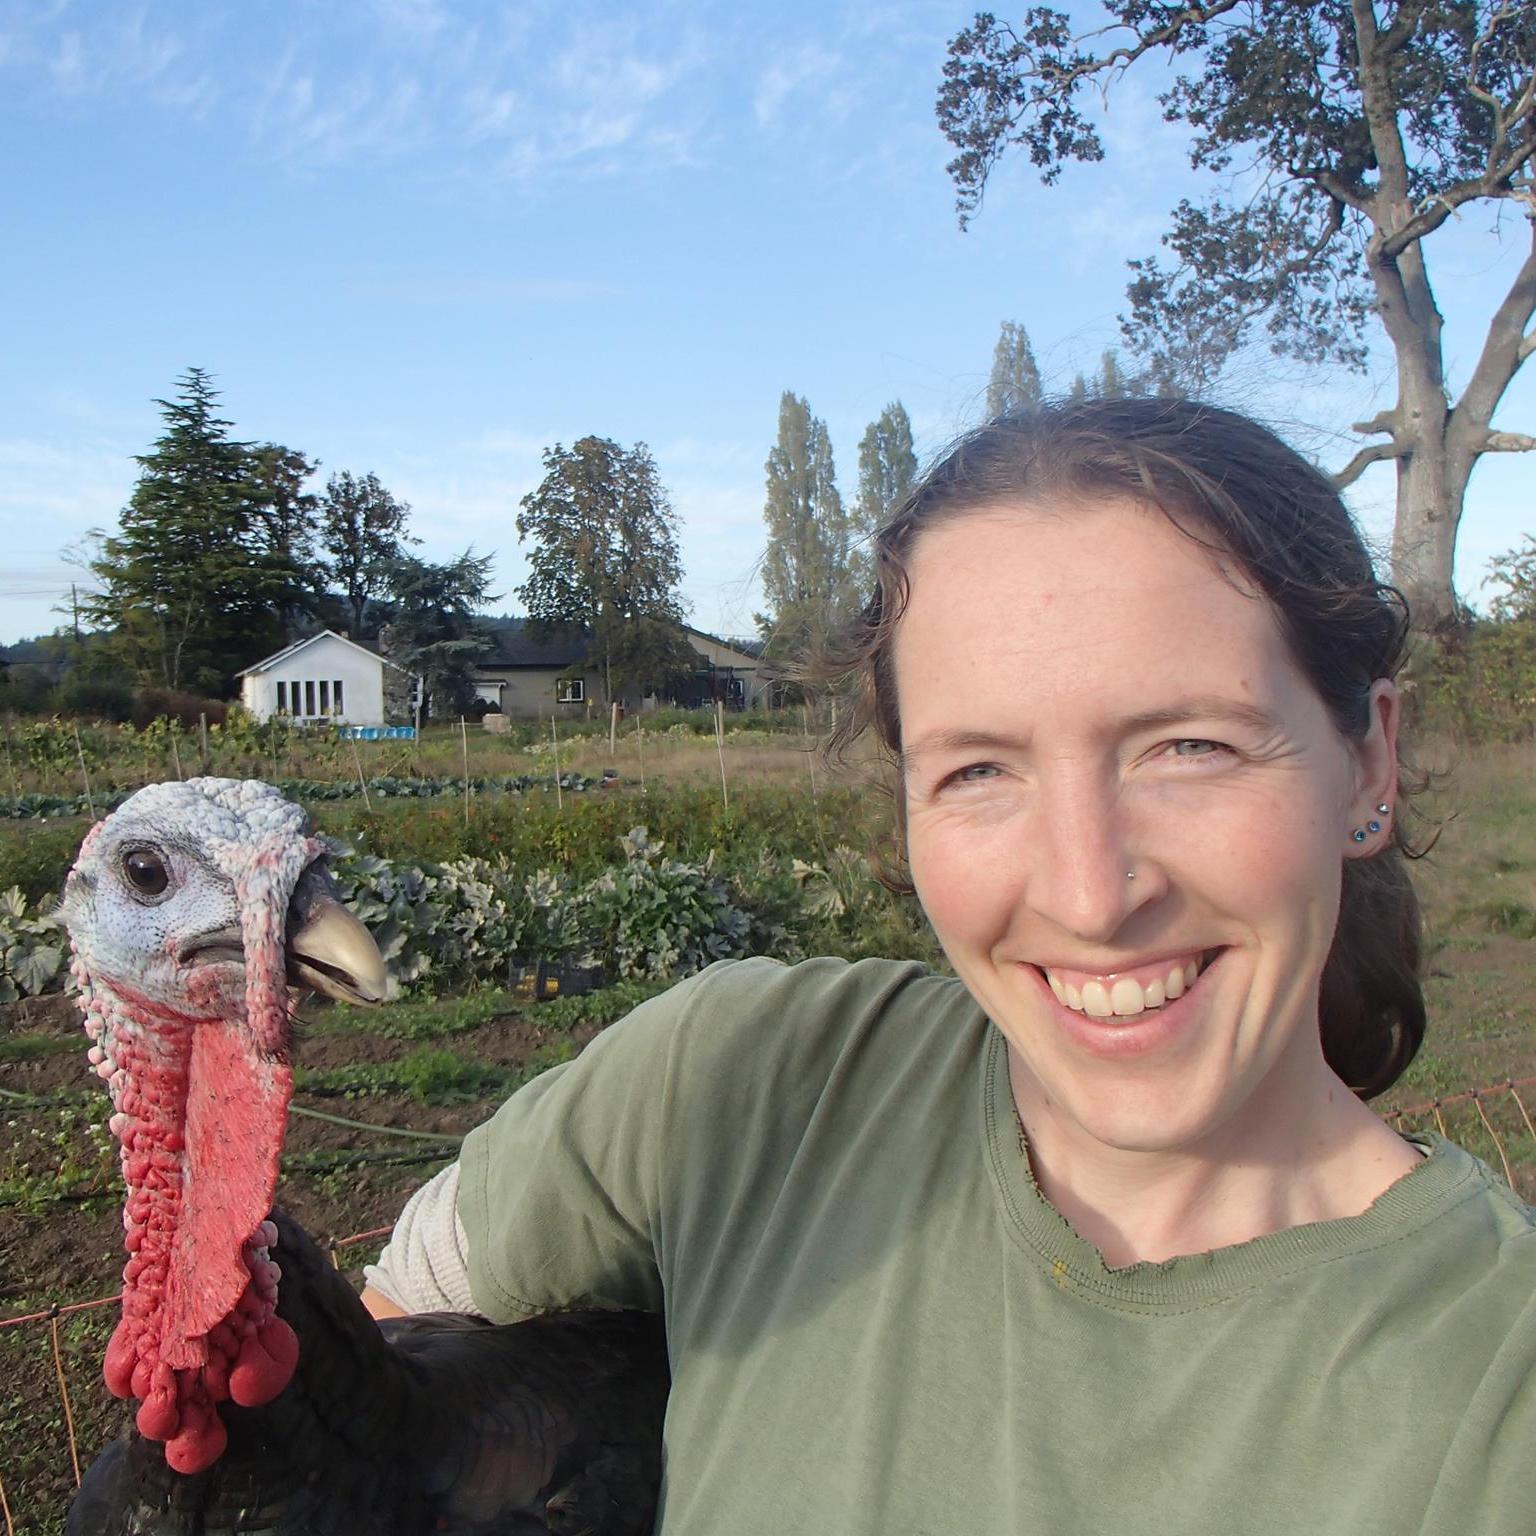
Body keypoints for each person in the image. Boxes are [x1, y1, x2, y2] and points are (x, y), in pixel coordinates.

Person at [361, 398, 1536, 1533]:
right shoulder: (735, 1088)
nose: (1088, 892)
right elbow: (364, 1377)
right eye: (979, 771)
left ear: (1369, 761)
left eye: (1192, 746)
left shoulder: (1497, 1391)